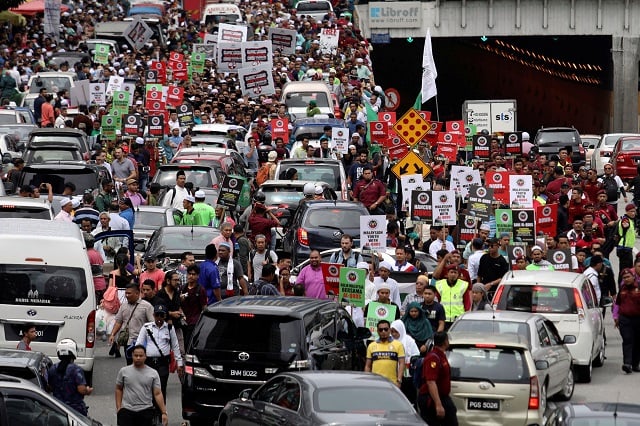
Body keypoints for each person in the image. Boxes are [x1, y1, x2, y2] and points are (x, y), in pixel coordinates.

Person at [135, 304, 184, 404]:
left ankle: (161, 412)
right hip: (149, 362)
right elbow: (139, 344)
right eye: (157, 315)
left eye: (162, 315)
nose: (159, 318)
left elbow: (175, 346)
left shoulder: (170, 329)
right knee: (148, 387)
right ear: (153, 315)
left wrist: (179, 364)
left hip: (163, 363)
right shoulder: (146, 327)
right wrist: (138, 360)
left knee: (161, 387)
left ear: (165, 316)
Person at [115, 345, 169, 426]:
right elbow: (118, 389)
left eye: (141, 356)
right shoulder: (123, 371)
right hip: (127, 411)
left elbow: (157, 393)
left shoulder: (153, 373)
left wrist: (164, 412)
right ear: (132, 356)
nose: (138, 358)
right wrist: (119, 408)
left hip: (146, 411)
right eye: (136, 355)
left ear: (145, 356)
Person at [418, 331, 458, 426]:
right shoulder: (433, 357)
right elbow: (431, 382)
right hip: (432, 399)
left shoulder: (441, 355)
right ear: (445, 342)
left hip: (442, 398)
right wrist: (438, 405)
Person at [109, 283, 155, 365]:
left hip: (142, 343)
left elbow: (153, 324)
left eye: (129, 293)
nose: (126, 295)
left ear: (137, 293)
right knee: (130, 366)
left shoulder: (147, 306)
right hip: (128, 343)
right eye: (126, 293)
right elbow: (118, 322)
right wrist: (112, 334)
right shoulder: (123, 306)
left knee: (142, 367)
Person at [48, 339, 92, 416]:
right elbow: (81, 389)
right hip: (75, 410)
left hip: (57, 408)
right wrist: (88, 390)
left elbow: (50, 387)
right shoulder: (76, 370)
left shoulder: (53, 369)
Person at [613, 268, 640, 374]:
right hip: (625, 319)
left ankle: (635, 363)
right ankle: (627, 364)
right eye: (624, 278)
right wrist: (616, 317)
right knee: (627, 340)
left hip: (638, 319)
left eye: (628, 277)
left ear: (634, 277)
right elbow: (617, 303)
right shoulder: (622, 289)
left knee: (637, 341)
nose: (626, 279)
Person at [364, 319, 405, 386]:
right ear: (377, 331)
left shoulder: (398, 345)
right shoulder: (371, 346)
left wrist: (399, 380)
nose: (383, 332)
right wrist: (366, 381)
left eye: (386, 329)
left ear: (389, 330)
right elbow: (368, 366)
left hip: (392, 383)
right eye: (381, 330)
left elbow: (401, 364)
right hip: (375, 383)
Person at [390, 319, 420, 403]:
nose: (393, 334)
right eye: (392, 332)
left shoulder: (409, 341)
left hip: (407, 375)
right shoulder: (389, 341)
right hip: (393, 373)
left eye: (396, 332)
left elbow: (416, 354)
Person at [434, 264, 470, 330]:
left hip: (458, 320)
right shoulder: (440, 285)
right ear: (447, 273)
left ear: (458, 275)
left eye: (455, 272)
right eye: (451, 272)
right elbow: (437, 301)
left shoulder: (463, 285)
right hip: (443, 319)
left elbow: (467, 303)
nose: (453, 274)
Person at [180, 265, 207, 346]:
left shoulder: (200, 290)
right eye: (189, 274)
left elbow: (204, 307)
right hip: (184, 321)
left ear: (198, 276)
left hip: (195, 322)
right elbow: (178, 304)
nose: (191, 276)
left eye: (193, 274)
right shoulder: (182, 288)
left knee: (190, 343)